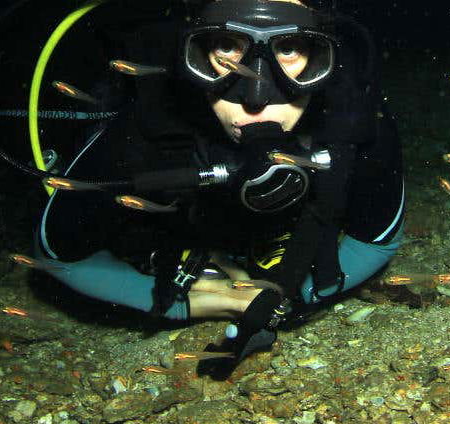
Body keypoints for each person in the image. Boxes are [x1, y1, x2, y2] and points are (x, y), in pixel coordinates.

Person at [34, 0, 405, 362]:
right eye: (226, 46)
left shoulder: (351, 118)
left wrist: (292, 294)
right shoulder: (150, 120)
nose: (256, 97)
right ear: (193, 52)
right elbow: (58, 257)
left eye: (290, 48)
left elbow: (378, 241)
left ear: (324, 60)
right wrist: (205, 301)